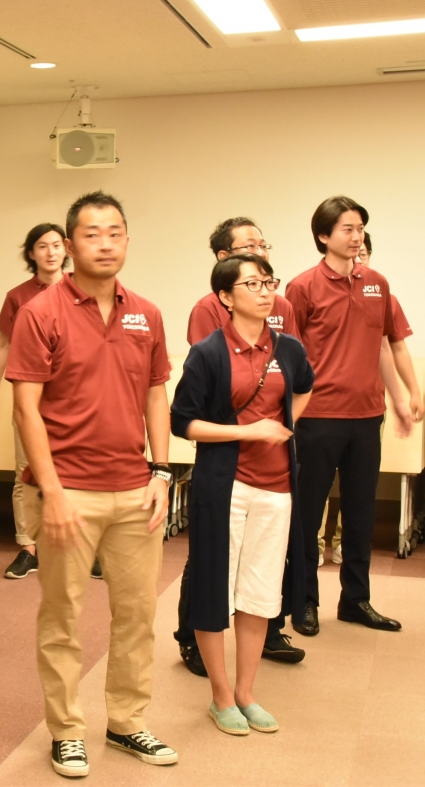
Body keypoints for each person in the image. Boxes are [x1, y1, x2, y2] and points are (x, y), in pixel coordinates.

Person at [10, 191, 177, 778]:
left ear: (127, 240)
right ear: (69, 244)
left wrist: (162, 470)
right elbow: (26, 409)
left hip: (135, 490)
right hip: (69, 492)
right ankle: (66, 731)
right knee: (62, 617)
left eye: (115, 233)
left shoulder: (146, 313)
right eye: (91, 234)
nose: (105, 244)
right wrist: (51, 492)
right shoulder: (41, 313)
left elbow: (156, 393)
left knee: (137, 615)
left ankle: (127, 722)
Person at [172, 254, 314, 736]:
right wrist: (248, 432)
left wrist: (284, 425)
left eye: (268, 281)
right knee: (214, 588)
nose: (265, 290)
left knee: (259, 592)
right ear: (225, 297)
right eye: (251, 284)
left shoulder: (288, 349)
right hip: (225, 486)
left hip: (278, 488)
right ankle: (220, 696)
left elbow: (304, 388)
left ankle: (246, 692)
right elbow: (183, 422)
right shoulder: (208, 352)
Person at [285, 196, 414, 636]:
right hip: (317, 416)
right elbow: (289, 355)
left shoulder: (377, 283)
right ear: (324, 236)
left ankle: (356, 600)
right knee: (308, 514)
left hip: (366, 416)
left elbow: (383, 346)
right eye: (347, 229)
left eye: (360, 228)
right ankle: (303, 601)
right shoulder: (302, 287)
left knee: (361, 514)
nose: (357, 236)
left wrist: (400, 399)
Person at [317, 231, 421, 567]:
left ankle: (344, 544)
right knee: (317, 485)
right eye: (353, 250)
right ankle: (316, 544)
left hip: (368, 407)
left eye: (363, 252)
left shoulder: (381, 293)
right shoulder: (312, 287)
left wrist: (411, 392)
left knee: (359, 489)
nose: (358, 257)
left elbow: (394, 347)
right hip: (323, 407)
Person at [0, 222, 68, 580]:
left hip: (71, 399)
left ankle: (80, 546)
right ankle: (28, 547)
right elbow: (3, 345)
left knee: (76, 471)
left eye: (56, 245)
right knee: (26, 472)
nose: (51, 252)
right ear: (31, 253)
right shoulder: (18, 296)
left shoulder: (80, 291)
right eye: (42, 246)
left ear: (66, 249)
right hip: (28, 397)